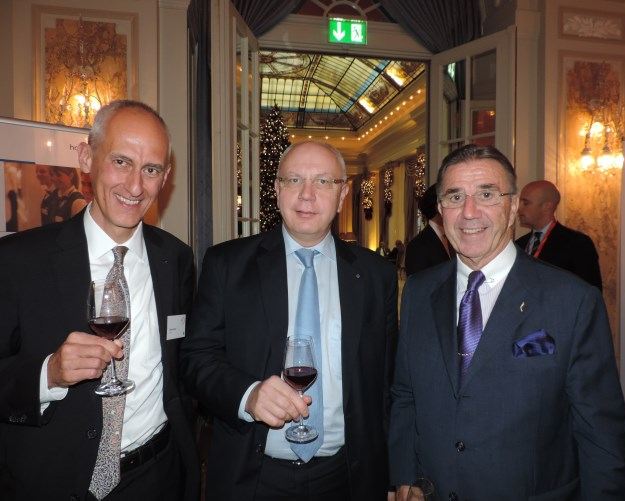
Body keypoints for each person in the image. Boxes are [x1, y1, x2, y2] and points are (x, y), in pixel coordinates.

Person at [389, 144, 625, 500]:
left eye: (487, 194)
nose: (469, 212)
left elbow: (600, 432)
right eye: (455, 197)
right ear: (441, 210)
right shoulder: (418, 292)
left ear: (513, 205)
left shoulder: (573, 301)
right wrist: (404, 475)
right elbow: (405, 394)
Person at [0, 100, 199, 500]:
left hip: (157, 475)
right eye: (121, 162)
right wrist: (49, 374)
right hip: (53, 481)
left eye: (151, 170)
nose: (135, 186)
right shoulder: (17, 260)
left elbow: (184, 362)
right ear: (87, 158)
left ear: (166, 177)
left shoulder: (176, 259)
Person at [181, 140, 398, 500]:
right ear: (278, 189)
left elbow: (388, 383)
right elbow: (195, 359)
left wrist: (393, 474)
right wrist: (248, 396)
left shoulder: (376, 276)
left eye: (323, 181)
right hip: (252, 477)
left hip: (348, 477)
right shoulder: (227, 265)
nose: (307, 194)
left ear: (342, 195)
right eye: (294, 180)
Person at [516, 179, 603, 289]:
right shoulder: (519, 244)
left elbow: (590, 292)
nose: (519, 208)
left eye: (526, 203)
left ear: (547, 206)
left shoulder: (577, 244)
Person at [404, 183, 451, 276]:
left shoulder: (454, 237)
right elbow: (419, 283)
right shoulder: (417, 247)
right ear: (438, 208)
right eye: (451, 201)